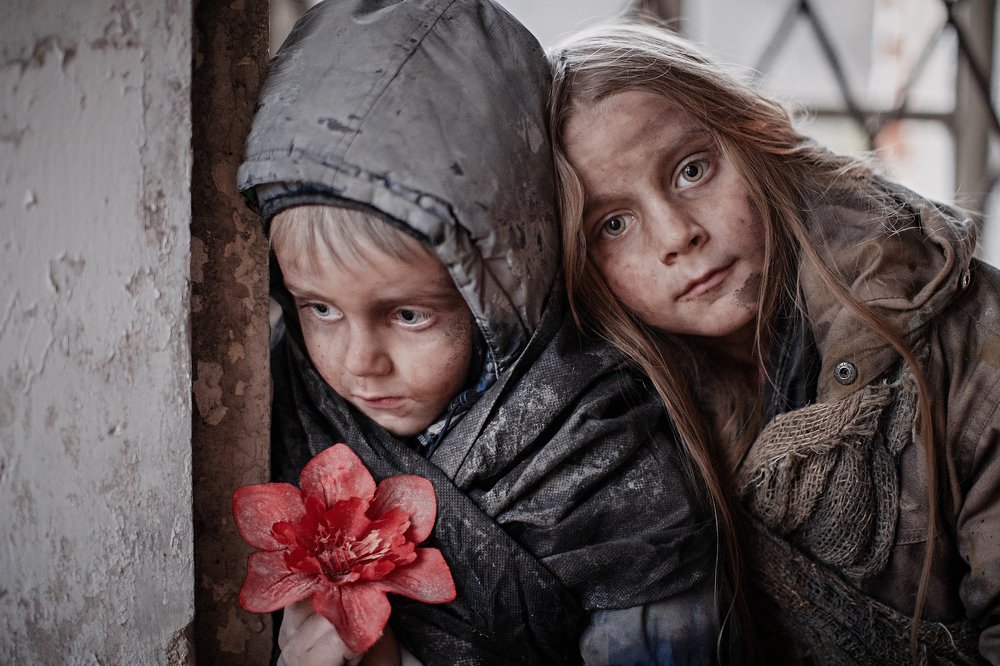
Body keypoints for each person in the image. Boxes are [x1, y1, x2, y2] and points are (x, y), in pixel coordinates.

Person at [237, 1, 723, 664]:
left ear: (500, 291)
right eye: (318, 309)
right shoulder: (273, 408)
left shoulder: (611, 461)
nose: (359, 362)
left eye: (409, 315)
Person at [547, 19, 1000, 665]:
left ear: (753, 137)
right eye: (613, 224)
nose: (677, 234)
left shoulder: (971, 340)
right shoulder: (597, 417)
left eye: (693, 170)